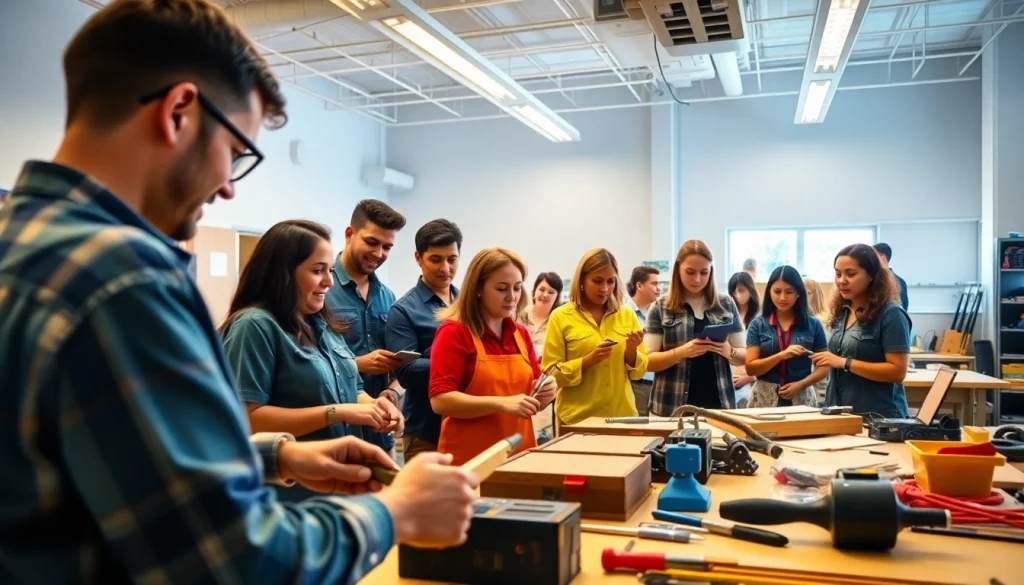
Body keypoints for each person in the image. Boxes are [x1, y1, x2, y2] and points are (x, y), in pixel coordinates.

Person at [0, 1, 476, 583]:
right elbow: (237, 560)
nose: (227, 187)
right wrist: (394, 512)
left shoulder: (23, 242)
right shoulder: (124, 280)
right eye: (235, 153)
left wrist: (275, 457)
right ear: (178, 111)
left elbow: (105, 460)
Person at [220, 220, 404, 500]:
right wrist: (338, 412)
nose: (329, 282)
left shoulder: (323, 325)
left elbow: (353, 390)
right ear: (282, 274)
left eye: (329, 271)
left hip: (341, 488)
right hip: (291, 496)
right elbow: (248, 418)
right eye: (318, 271)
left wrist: (376, 407)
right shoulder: (255, 326)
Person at [429, 248, 557, 465]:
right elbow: (440, 401)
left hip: (519, 456)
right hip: (470, 462)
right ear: (478, 288)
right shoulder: (454, 332)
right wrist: (501, 404)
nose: (512, 297)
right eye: (501, 288)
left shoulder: (520, 333)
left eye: (517, 288)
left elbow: (532, 392)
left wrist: (547, 391)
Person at [328, 199, 407, 455]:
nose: (379, 253)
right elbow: (305, 358)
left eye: (387, 247)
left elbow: (398, 369)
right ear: (349, 234)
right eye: (372, 242)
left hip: (379, 434)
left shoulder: (387, 296)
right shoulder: (320, 289)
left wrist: (391, 394)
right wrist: (358, 364)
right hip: (335, 433)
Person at [543, 248, 648, 425]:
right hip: (577, 420)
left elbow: (639, 372)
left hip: (621, 417)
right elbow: (551, 374)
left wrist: (631, 352)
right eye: (597, 281)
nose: (605, 289)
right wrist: (587, 361)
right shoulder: (560, 316)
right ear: (581, 280)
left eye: (611, 281)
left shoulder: (627, 315)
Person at [385, 219, 462, 462]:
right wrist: (462, 361)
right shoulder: (404, 310)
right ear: (418, 258)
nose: (445, 268)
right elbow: (407, 371)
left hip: (469, 424)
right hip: (426, 432)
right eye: (436, 259)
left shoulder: (468, 304)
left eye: (452, 259)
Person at [645, 240, 747, 415]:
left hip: (719, 405)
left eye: (704, 272)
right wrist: (681, 352)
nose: (698, 279)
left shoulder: (726, 304)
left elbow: (745, 355)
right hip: (670, 407)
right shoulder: (661, 307)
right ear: (678, 270)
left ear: (711, 272)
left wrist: (728, 351)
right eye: (690, 272)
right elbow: (647, 362)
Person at [812, 244, 912, 418]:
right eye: (838, 274)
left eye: (850, 274)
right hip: (841, 414)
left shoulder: (891, 314)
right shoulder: (842, 310)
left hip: (879, 418)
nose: (842, 280)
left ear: (871, 275)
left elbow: (897, 371)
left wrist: (844, 362)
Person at [744, 266, 829, 408]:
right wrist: (781, 355)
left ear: (798, 293)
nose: (782, 297)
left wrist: (802, 384)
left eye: (789, 292)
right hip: (764, 399)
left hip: (802, 398)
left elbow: (824, 368)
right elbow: (751, 369)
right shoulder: (757, 325)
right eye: (777, 291)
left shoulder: (813, 324)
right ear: (769, 292)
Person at [626, 265, 661, 415]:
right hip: (636, 384)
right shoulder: (623, 314)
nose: (659, 289)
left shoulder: (659, 313)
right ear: (639, 285)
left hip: (659, 383)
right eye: (654, 284)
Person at [727, 271, 760, 406]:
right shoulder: (727, 316)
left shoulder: (760, 319)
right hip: (730, 378)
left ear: (750, 290)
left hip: (753, 380)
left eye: (741, 290)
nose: (737, 295)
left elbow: (768, 353)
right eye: (733, 292)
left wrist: (749, 377)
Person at [803, 277, 832, 401]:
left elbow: (822, 359)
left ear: (816, 295)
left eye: (807, 293)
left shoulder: (821, 321)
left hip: (820, 387)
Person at [522, 272, 564, 354]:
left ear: (557, 298)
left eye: (551, 292)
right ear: (533, 292)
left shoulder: (559, 323)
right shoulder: (519, 316)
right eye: (541, 290)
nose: (545, 295)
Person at [873, 242, 909, 310]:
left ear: (882, 257)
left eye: (873, 256)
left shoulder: (898, 282)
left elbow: (902, 309)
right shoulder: (872, 279)